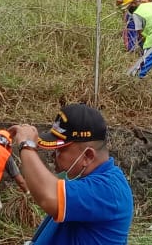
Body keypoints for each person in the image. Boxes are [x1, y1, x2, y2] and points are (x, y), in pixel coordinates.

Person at [9, 103, 133, 245]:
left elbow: (49, 196)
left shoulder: (109, 190)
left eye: (60, 150)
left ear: (87, 156)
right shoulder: (84, 180)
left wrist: (26, 145)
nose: (53, 156)